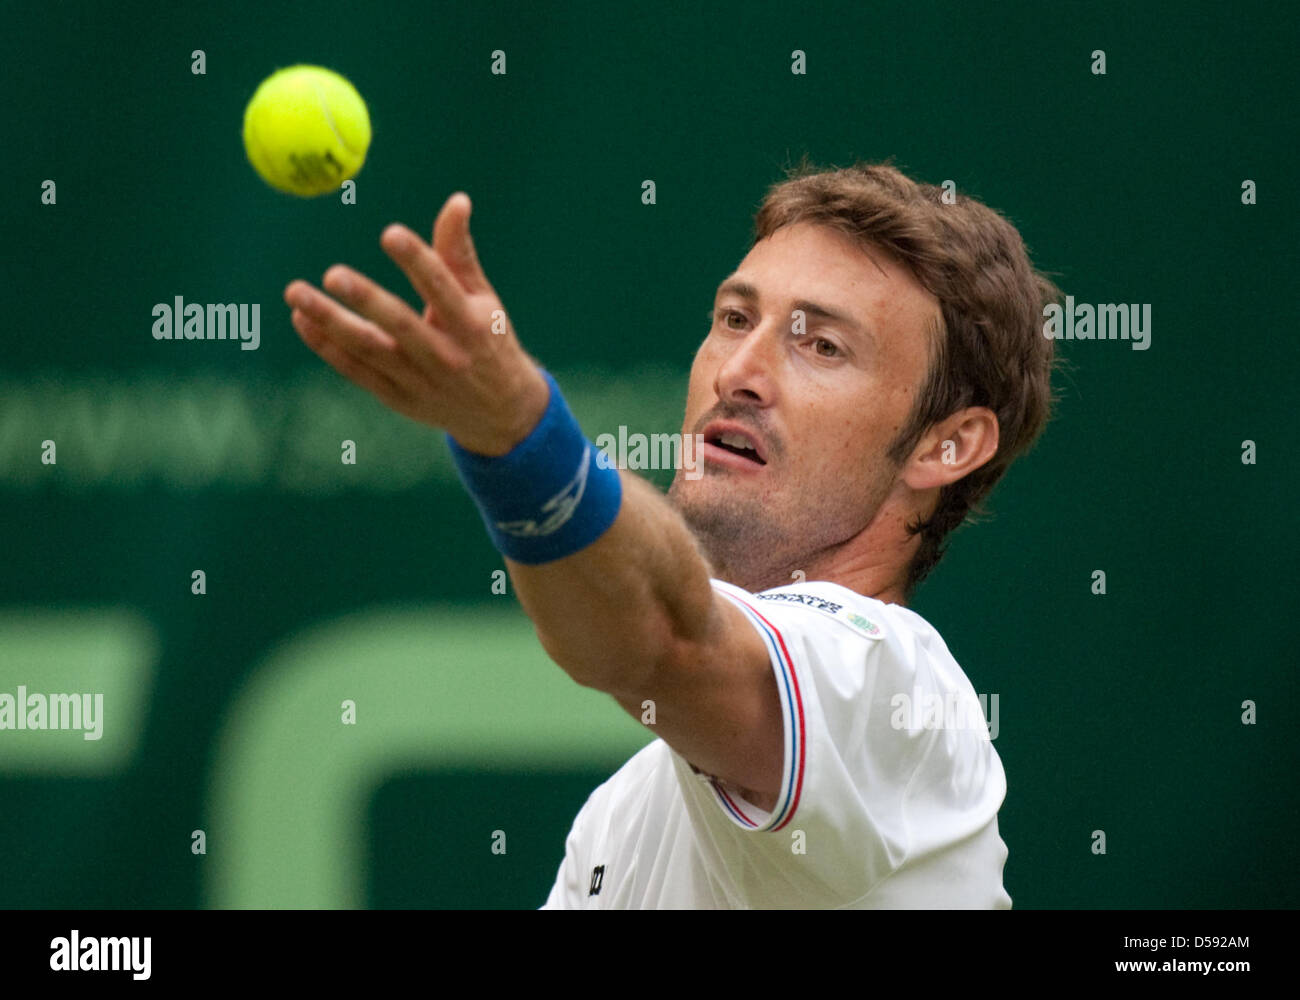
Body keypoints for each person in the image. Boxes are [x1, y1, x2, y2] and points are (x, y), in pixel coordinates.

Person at [283, 160, 1061, 909]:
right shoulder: (620, 818)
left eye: (821, 345)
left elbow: (664, 640)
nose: (740, 372)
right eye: (734, 319)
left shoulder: (895, 693)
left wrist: (520, 438)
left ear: (945, 444)